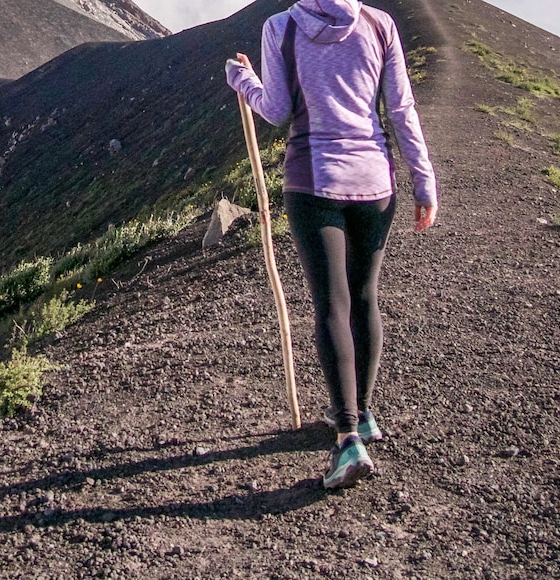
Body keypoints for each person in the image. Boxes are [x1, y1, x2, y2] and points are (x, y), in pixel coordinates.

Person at [225, 0, 439, 489]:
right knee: (364, 299)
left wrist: (242, 80)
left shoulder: (280, 28)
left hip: (313, 183)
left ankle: (346, 439)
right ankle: (360, 415)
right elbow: (401, 108)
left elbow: (276, 111)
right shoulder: (380, 25)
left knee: (331, 306)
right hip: (375, 182)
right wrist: (423, 182)